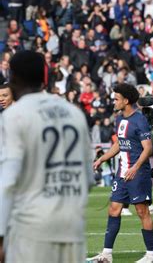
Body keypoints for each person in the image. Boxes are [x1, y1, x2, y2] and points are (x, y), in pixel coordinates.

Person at [0, 51, 94, 263]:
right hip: (72, 229)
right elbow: (88, 178)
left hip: (30, 230)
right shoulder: (73, 113)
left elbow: (7, 183)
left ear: (13, 78)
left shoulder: (14, 116)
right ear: (44, 77)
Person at [87, 83, 153, 263]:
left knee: (142, 212)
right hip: (122, 173)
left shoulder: (139, 120)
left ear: (126, 101)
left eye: (116, 99)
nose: (114, 102)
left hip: (138, 173)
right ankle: (107, 254)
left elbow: (148, 149)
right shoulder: (119, 119)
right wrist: (103, 158)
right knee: (114, 209)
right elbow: (119, 144)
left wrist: (135, 167)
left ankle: (151, 255)